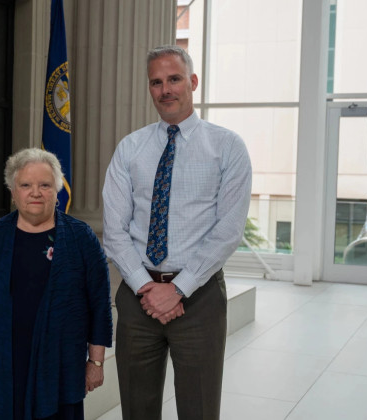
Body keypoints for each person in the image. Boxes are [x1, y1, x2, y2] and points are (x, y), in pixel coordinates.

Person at [102, 45, 252, 419]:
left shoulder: (227, 147)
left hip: (199, 299)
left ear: (193, 82)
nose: (165, 89)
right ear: (149, 88)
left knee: (198, 409)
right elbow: (114, 230)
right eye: (156, 82)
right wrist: (146, 287)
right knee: (137, 408)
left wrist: (179, 288)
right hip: (138, 298)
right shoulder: (130, 148)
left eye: (174, 79)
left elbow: (228, 230)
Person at [0, 148, 113, 420]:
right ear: (13, 192)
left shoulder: (82, 238)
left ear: (57, 190)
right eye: (26, 185)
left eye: (44, 185)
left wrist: (95, 362)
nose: (35, 192)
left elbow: (99, 305)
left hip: (58, 361)